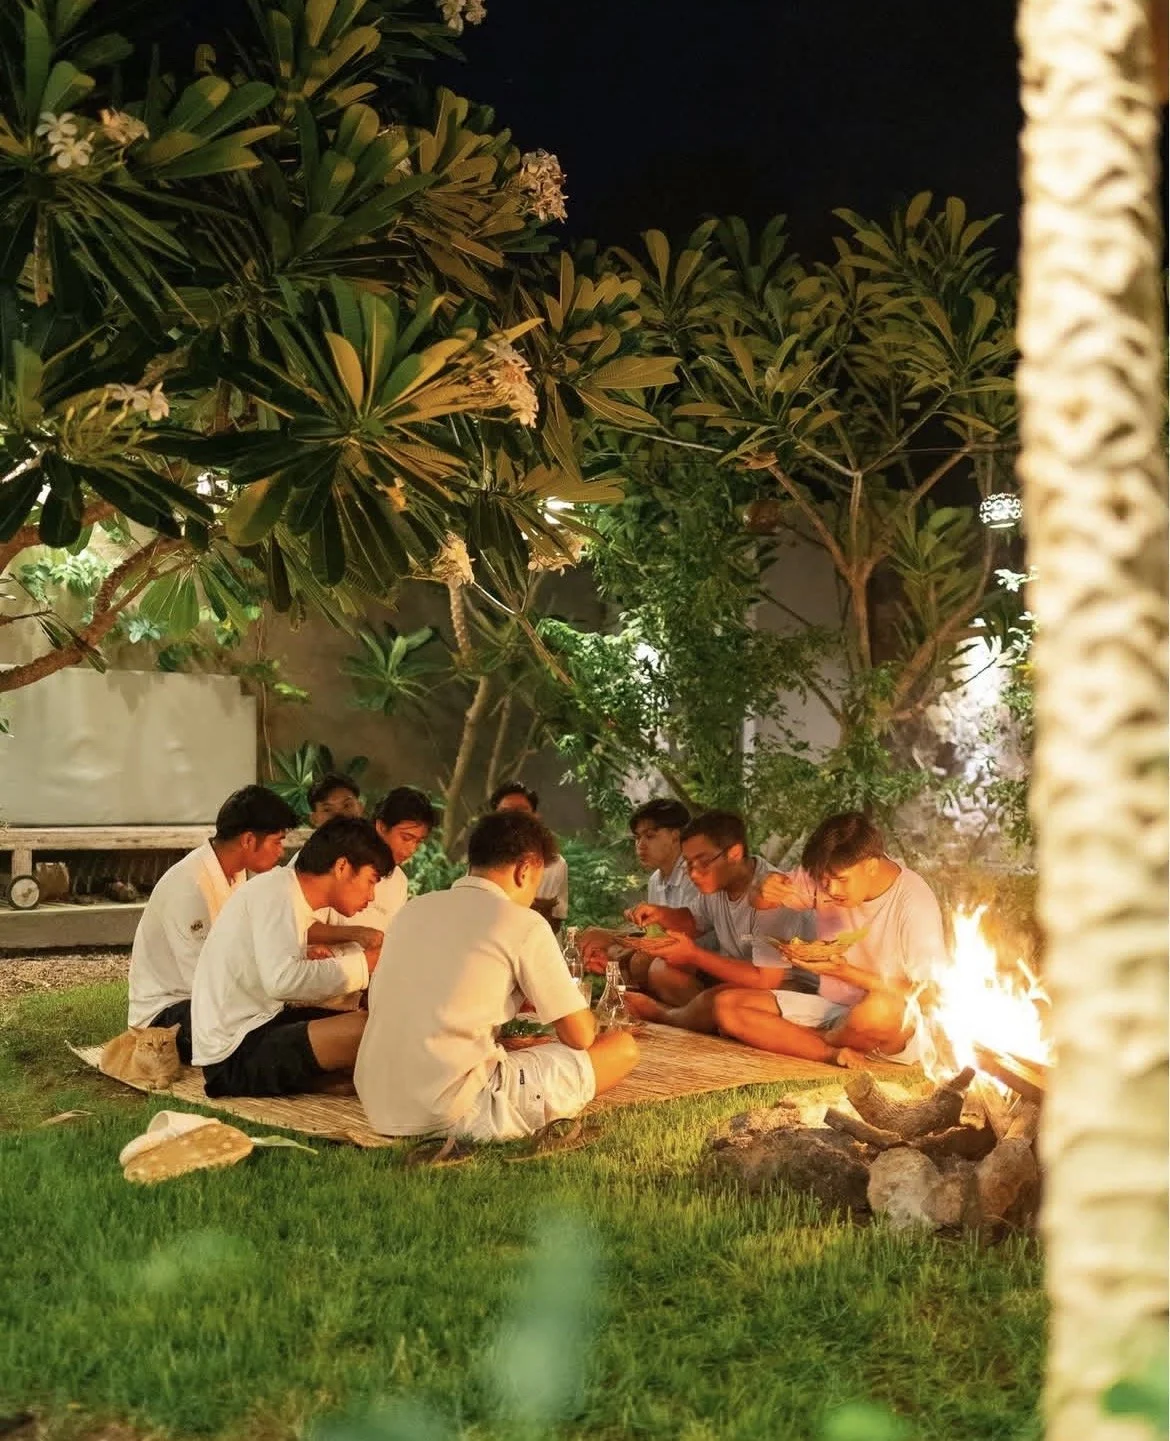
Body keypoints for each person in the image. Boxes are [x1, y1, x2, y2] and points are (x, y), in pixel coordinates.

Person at [355, 811, 639, 1141]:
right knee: (622, 1047)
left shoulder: (412, 910)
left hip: (378, 1101)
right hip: (453, 1111)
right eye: (537, 882)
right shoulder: (523, 922)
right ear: (525, 870)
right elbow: (580, 1037)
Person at [712, 811, 946, 1066]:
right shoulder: (826, 873)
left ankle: (809, 1040)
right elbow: (760, 902)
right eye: (824, 880)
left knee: (877, 1011)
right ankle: (832, 1054)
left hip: (894, 1023)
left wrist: (844, 972)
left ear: (871, 866)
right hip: (832, 1008)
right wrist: (762, 888)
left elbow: (928, 994)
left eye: (841, 880)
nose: (831, 889)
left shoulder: (914, 901)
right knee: (727, 1005)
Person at [190, 817, 393, 1097]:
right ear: (342, 866)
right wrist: (367, 962)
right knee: (370, 1030)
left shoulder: (283, 891)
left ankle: (321, 1077)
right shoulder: (278, 893)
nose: (371, 896)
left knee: (371, 1020)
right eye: (371, 881)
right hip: (232, 1055)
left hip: (261, 1023)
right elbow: (282, 982)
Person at [127, 786, 298, 1062]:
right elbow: (203, 981)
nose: (281, 852)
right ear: (248, 840)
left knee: (286, 1016)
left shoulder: (237, 874)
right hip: (168, 1014)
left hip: (212, 996)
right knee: (267, 1029)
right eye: (277, 842)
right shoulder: (189, 887)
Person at [619, 810, 815, 1031]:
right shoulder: (716, 885)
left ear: (734, 854)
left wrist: (693, 954)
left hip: (787, 988)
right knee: (661, 970)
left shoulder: (770, 893)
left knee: (719, 998)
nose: (693, 873)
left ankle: (670, 1015)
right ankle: (712, 1019)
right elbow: (694, 920)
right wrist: (661, 914)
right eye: (688, 864)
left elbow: (766, 980)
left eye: (702, 862)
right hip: (738, 982)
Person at [308, 787, 438, 963]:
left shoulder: (399, 880)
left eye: (418, 841)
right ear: (381, 826)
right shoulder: (334, 858)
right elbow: (299, 927)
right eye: (406, 838)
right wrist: (356, 934)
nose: (412, 849)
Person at [579, 797, 699, 978]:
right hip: (666, 956)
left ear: (676, 836)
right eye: (637, 838)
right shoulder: (655, 880)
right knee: (610, 953)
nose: (640, 845)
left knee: (640, 962)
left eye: (650, 836)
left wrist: (617, 941)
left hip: (701, 960)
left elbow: (685, 937)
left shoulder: (696, 874)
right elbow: (654, 936)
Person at [490, 781, 569, 934]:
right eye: (506, 812)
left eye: (521, 812)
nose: (513, 819)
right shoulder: (483, 859)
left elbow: (557, 920)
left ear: (535, 816)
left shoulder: (555, 864)